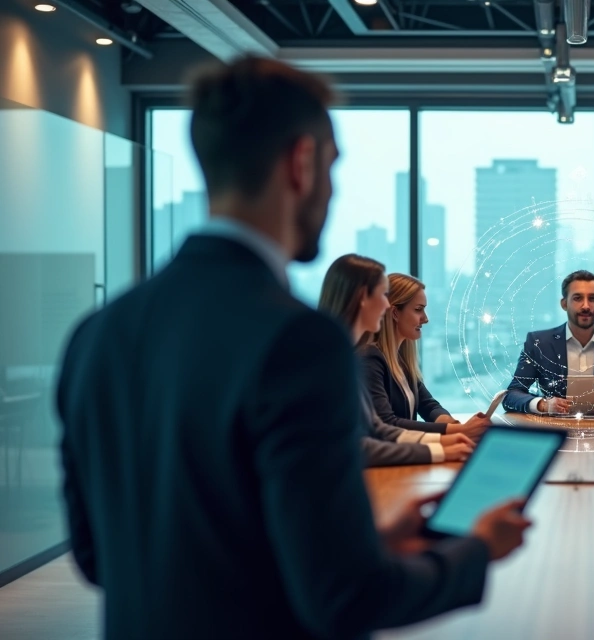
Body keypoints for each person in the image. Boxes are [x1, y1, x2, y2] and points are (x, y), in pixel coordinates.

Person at [56, 56, 529, 639]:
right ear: (301, 163)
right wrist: (476, 549)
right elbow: (348, 599)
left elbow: (99, 558)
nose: (332, 191)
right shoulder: (300, 342)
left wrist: (365, 545)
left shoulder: (97, 334)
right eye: (334, 167)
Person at [319, 255, 474, 466]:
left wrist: (451, 437)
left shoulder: (355, 359)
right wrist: (442, 446)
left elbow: (378, 429)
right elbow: (367, 440)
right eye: (383, 295)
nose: (386, 305)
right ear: (363, 297)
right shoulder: (355, 359)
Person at [503, 270, 594, 415]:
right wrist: (543, 405)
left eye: (592, 298)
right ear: (564, 304)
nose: (586, 306)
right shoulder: (539, 344)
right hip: (554, 428)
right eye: (577, 298)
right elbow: (512, 395)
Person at [362, 273, 491, 440]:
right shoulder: (370, 359)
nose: (426, 319)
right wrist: (459, 430)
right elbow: (387, 423)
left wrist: (454, 425)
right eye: (418, 309)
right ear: (395, 313)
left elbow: (428, 405)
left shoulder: (400, 360)